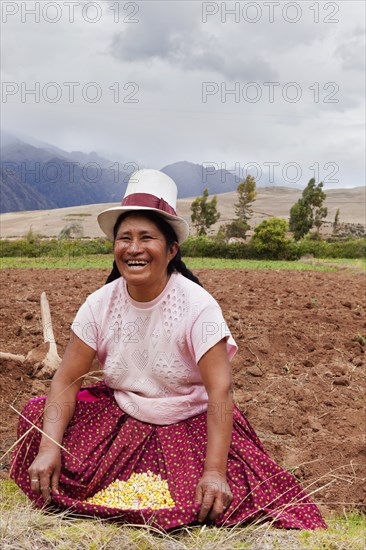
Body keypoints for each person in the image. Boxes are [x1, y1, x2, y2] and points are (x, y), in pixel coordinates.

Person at [11, 169, 327, 531]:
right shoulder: (99, 304)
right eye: (124, 238)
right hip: (121, 418)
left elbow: (219, 391)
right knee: (37, 419)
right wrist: (50, 448)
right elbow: (66, 379)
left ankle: (160, 491)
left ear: (172, 249)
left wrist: (213, 472)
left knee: (225, 495)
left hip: (187, 425)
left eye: (147, 237)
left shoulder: (198, 306)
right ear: (114, 247)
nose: (133, 248)